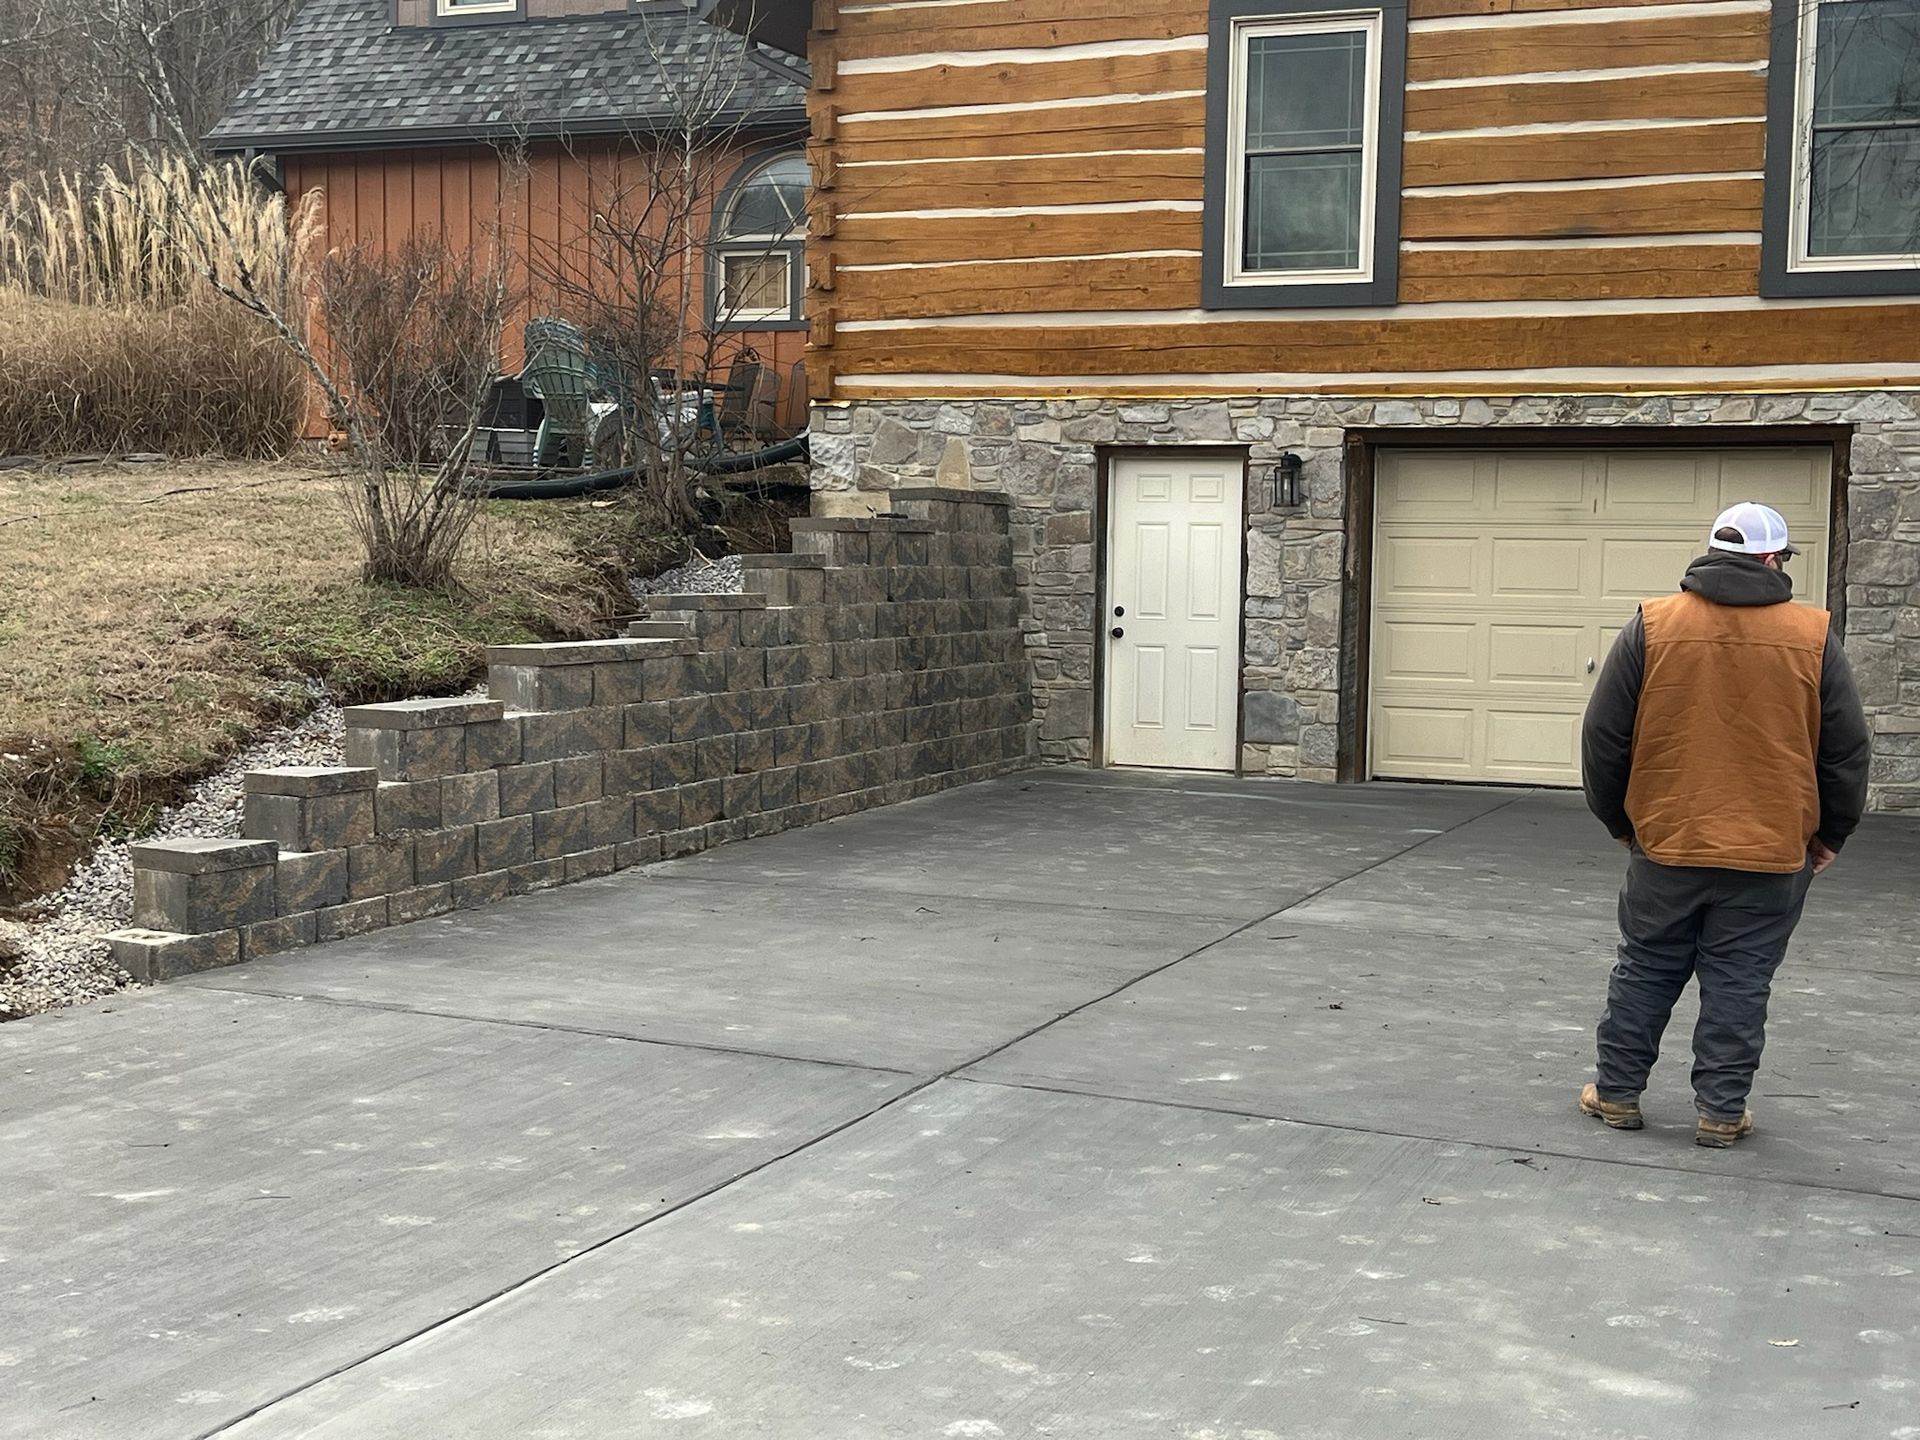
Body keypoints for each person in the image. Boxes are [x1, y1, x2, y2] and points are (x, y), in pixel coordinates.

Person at [1578, 501, 1870, 1148]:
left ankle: (1618, 1093)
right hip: (1771, 851)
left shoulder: (1652, 625)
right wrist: (1831, 834)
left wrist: (1621, 821)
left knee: (1647, 967)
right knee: (1740, 977)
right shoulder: (1813, 636)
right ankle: (1720, 1110)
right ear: (1773, 560)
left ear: (1712, 553)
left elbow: (1603, 737)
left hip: (1668, 843)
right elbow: (1845, 751)